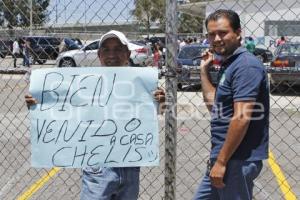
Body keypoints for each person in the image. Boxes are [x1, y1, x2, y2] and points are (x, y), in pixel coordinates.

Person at [25, 30, 165, 200]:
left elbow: (153, 114)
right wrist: (39, 103)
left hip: (130, 165)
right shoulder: (85, 84)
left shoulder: (141, 84)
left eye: (118, 49)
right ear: (99, 55)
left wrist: (159, 102)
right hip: (98, 168)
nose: (111, 54)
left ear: (128, 53)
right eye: (106, 49)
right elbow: (63, 107)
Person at [194, 9, 269, 200]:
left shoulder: (246, 66)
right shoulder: (231, 64)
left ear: (238, 32)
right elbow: (215, 106)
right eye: (211, 34)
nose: (217, 38)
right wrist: (204, 71)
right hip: (225, 157)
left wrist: (221, 161)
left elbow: (242, 117)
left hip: (236, 159)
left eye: (223, 32)